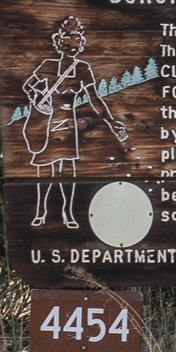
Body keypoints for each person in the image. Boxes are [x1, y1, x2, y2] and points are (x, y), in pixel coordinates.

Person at [22, 16, 127, 228]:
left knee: (66, 169)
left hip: (69, 124)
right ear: (60, 42)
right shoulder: (48, 66)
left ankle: (68, 214)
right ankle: (41, 211)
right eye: (72, 38)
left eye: (78, 38)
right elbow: (28, 86)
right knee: (45, 168)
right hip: (47, 122)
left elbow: (95, 100)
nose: (76, 43)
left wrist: (112, 122)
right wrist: (37, 101)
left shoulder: (82, 69)